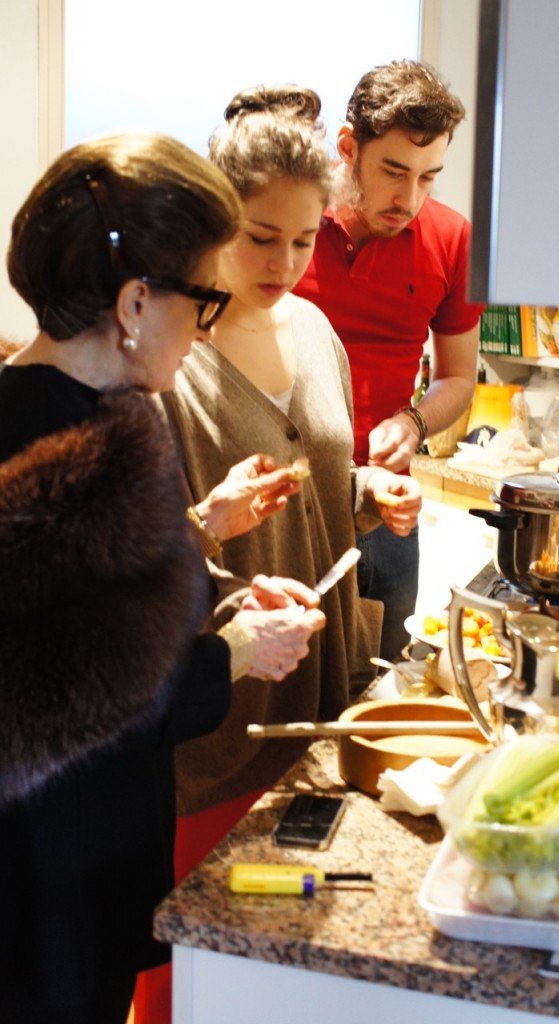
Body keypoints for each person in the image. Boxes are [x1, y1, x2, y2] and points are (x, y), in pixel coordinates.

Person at [0, 130, 325, 1024]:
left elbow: (95, 597)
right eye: (204, 301)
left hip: (68, 870)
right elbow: (81, 699)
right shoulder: (63, 442)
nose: (207, 327)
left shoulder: (64, 409)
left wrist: (211, 576)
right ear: (137, 302)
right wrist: (233, 652)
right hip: (43, 896)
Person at [164, 82, 422, 870]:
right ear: (213, 220)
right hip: (224, 723)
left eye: (305, 240)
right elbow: (146, 550)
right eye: (260, 238)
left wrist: (366, 495)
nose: (285, 263)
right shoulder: (168, 357)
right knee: (203, 958)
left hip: (322, 705)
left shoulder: (314, 331)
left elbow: (316, 482)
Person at [295, 59, 486, 660]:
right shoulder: (290, 224)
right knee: (282, 682)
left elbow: (458, 378)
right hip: (290, 498)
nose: (409, 198)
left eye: (429, 177)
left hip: (388, 511)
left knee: (378, 676)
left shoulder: (453, 239)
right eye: (393, 171)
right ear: (348, 148)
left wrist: (413, 423)